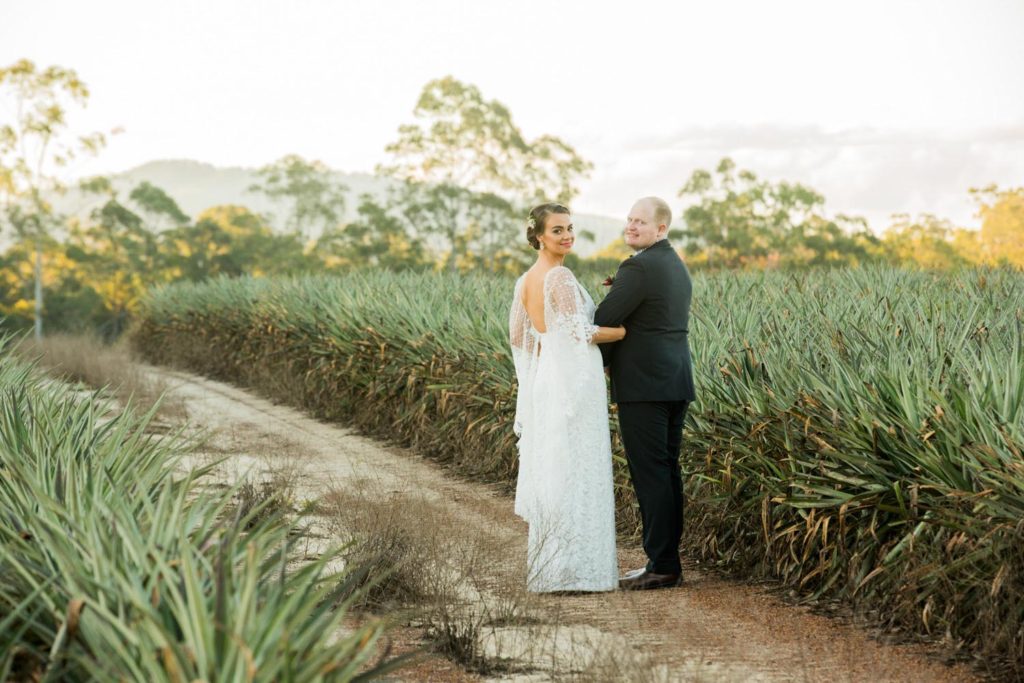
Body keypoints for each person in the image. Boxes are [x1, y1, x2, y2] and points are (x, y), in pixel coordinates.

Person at [508, 202, 625, 593]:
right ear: (539, 236)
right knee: (578, 469)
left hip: (548, 380)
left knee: (557, 470)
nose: (567, 235)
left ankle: (552, 569)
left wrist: (550, 356)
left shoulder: (526, 280)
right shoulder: (558, 276)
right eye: (557, 230)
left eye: (570, 228)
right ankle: (580, 571)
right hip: (575, 384)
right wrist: (625, 331)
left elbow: (519, 338)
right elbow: (581, 332)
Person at [593, 196, 695, 591]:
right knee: (667, 473)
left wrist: (600, 362)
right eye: (629, 220)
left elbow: (604, 318)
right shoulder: (675, 265)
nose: (632, 226)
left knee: (652, 475)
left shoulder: (637, 267)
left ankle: (663, 565)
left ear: (661, 229)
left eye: (641, 222)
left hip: (644, 386)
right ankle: (666, 560)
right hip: (675, 380)